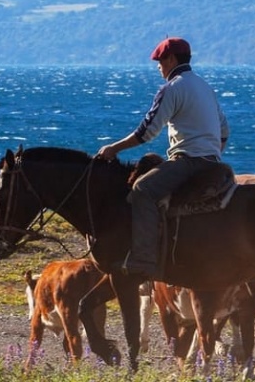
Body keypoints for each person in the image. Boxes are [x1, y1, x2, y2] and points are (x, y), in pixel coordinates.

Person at [93, 37, 229, 280]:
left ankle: (143, 261)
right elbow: (224, 132)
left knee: (142, 190)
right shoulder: (204, 87)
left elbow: (147, 131)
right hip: (213, 161)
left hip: (188, 161)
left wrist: (114, 149)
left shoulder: (173, 88)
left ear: (171, 59)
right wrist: (210, 151)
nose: (158, 66)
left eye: (159, 60)